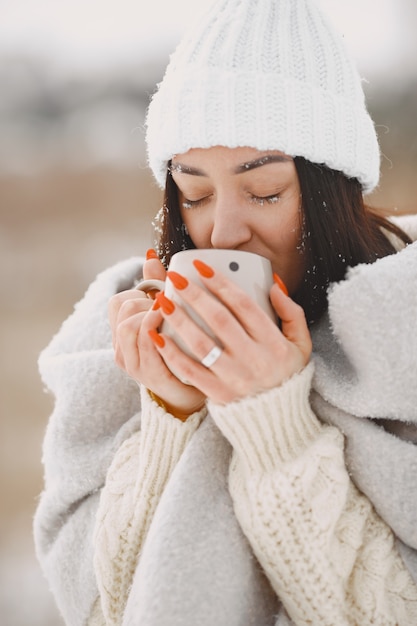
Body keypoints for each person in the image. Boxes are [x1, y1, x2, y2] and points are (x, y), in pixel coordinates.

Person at [33, 0, 417, 624]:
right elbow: (106, 610)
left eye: (263, 190)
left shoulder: (405, 329)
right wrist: (171, 411)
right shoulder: (110, 349)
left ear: (332, 189)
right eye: (195, 193)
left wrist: (276, 426)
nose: (223, 231)